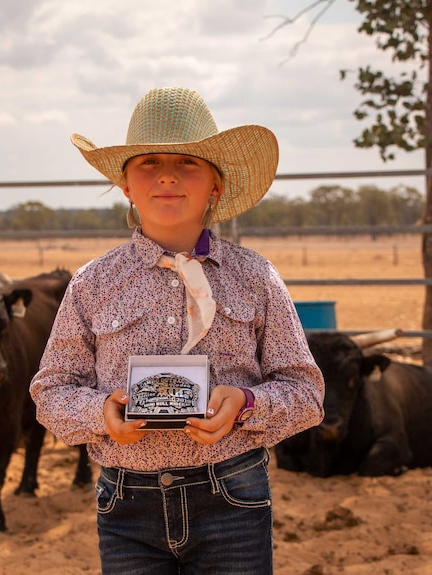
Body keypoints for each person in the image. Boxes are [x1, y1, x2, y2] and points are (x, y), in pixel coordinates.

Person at [31, 86, 324, 574]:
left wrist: (246, 405)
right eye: (148, 162)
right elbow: (51, 391)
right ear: (127, 186)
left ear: (216, 185)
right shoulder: (91, 284)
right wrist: (103, 413)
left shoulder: (255, 277)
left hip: (233, 498)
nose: (166, 174)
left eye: (187, 162)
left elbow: (307, 394)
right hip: (126, 508)